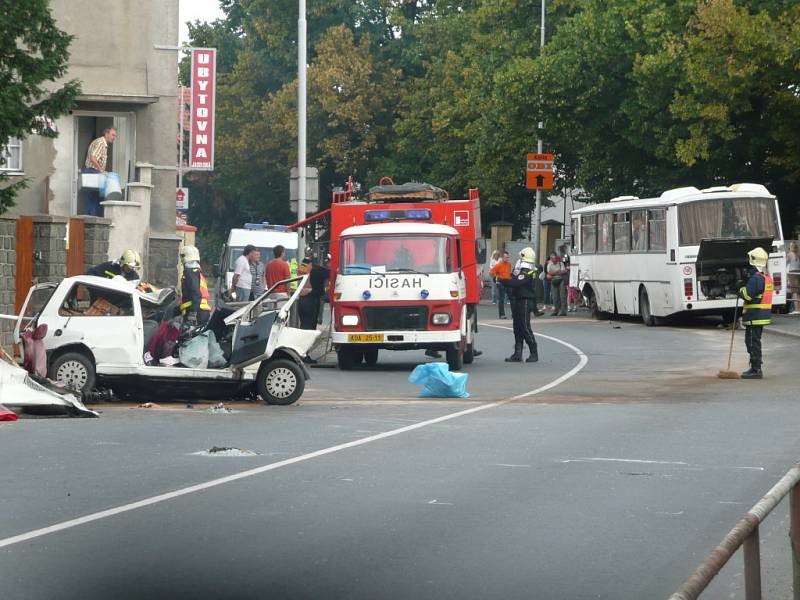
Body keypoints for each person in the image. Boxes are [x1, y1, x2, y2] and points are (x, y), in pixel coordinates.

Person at [738, 247, 773, 379]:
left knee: (752, 342)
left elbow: (747, 296)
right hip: (762, 315)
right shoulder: (766, 277)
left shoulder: (755, 279)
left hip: (755, 315)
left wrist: (740, 289)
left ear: (753, 260)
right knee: (754, 341)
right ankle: (755, 366)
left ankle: (756, 369)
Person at [499, 247, 538, 363]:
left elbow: (515, 283)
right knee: (517, 327)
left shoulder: (527, 272)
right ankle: (517, 353)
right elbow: (514, 278)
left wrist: (501, 280)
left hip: (525, 301)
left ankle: (533, 353)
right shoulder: (524, 271)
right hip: (519, 300)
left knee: (525, 327)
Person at [83, 127, 117, 217]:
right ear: (106, 134)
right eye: (113, 135)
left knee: (93, 198)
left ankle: (91, 220)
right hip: (93, 171)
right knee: (95, 199)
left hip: (92, 171)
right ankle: (92, 221)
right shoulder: (101, 143)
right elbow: (93, 157)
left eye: (115, 136)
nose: (114, 137)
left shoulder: (100, 142)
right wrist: (101, 170)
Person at [178, 245, 211, 328]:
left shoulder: (190, 272)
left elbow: (196, 293)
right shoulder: (196, 272)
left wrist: (192, 316)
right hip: (201, 311)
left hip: (196, 312)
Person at [297, 257, 329, 331]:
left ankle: (302, 339)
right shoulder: (311, 270)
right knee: (310, 325)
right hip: (310, 299)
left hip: (301, 299)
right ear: (310, 264)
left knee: (304, 324)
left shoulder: (300, 269)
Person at [489, 251, 513, 319]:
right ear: (502, 257)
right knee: (501, 299)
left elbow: (509, 273)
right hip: (501, 282)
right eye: (506, 257)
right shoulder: (498, 265)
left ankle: (514, 313)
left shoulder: (509, 264)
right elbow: (491, 272)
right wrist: (496, 280)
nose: (507, 258)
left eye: (508, 257)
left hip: (508, 282)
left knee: (512, 298)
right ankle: (502, 314)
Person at [787, 241, 800, 314]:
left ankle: (796, 309)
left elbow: (785, 263)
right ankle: (799, 309)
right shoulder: (798, 254)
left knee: (794, 291)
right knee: (798, 292)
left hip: (792, 273)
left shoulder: (789, 254)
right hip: (798, 272)